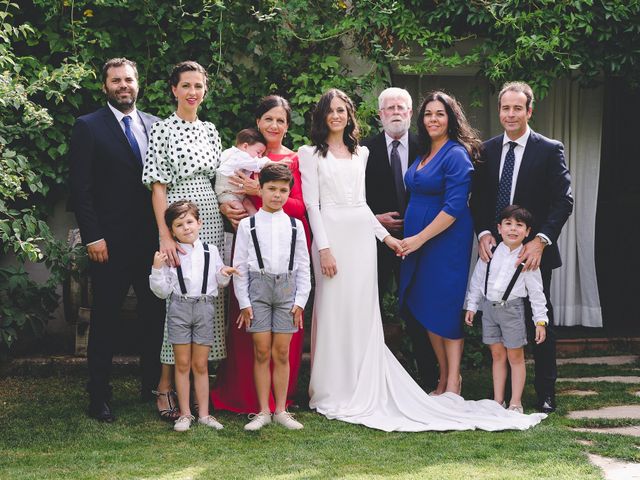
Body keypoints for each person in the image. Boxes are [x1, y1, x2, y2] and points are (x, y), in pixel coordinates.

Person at [299, 88, 545, 432]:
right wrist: (332, 246)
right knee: (361, 309)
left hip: (412, 242)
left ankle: (443, 382)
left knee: (397, 310)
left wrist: (395, 239)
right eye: (331, 110)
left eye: (343, 110)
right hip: (351, 240)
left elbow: (372, 206)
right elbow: (314, 205)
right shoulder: (314, 153)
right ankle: (337, 384)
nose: (337, 116)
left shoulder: (376, 153)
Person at [69, 57, 165, 422]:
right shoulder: (88, 127)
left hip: (151, 244)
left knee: (154, 315)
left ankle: (152, 386)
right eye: (115, 80)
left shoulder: (156, 126)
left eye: (128, 79)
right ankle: (99, 395)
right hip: (108, 245)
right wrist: (93, 237)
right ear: (105, 86)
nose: (123, 85)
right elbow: (81, 189)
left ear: (138, 83)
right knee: (106, 319)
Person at [470, 81, 573, 413]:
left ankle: (544, 393)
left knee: (540, 321)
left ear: (529, 111)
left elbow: (563, 201)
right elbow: (478, 200)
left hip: (532, 255)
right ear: (499, 111)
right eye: (505, 108)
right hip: (496, 254)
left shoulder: (548, 149)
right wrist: (485, 232)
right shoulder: (485, 150)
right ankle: (501, 394)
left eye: (517, 108)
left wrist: (541, 241)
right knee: (498, 321)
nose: (510, 114)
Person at [212, 95, 310, 413]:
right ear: (258, 123)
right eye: (268, 119)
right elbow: (225, 188)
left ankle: (280, 399)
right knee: (247, 324)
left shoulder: (294, 160)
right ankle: (245, 396)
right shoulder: (243, 156)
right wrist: (227, 207)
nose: (274, 125)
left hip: (283, 254)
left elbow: (302, 206)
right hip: (248, 252)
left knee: (283, 330)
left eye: (280, 120)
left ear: (287, 125)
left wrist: (260, 191)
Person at [142, 60, 226, 419]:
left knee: (206, 302)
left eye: (198, 86)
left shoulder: (210, 129)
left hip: (209, 218)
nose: (193, 92)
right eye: (186, 86)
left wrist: (229, 206)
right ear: (174, 90)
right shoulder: (163, 129)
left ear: (204, 90)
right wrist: (164, 234)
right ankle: (165, 388)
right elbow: (157, 187)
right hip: (178, 220)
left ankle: (200, 393)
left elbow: (221, 177)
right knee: (176, 304)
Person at [398, 91, 482, 397]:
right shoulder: (423, 154)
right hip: (418, 243)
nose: (433, 119)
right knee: (425, 305)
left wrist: (419, 238)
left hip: (446, 243)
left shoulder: (456, 154)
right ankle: (443, 377)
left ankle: (453, 381)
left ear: (451, 118)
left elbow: (454, 207)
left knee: (444, 307)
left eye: (440, 114)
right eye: (428, 114)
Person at [362, 87, 437, 391]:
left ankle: (429, 378)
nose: (395, 112)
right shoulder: (364, 151)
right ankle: (372, 380)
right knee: (372, 309)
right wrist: (374, 221)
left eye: (401, 107)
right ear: (380, 115)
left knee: (419, 310)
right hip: (376, 244)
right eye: (389, 107)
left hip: (418, 243)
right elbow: (353, 197)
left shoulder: (428, 148)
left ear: (410, 113)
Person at [233, 164, 311, 431]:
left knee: (281, 352)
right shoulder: (247, 225)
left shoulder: (295, 225)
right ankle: (263, 411)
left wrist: (300, 300)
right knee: (262, 350)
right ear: (261, 189)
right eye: (271, 189)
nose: (277, 195)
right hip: (258, 290)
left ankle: (281, 409)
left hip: (288, 291)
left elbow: (303, 264)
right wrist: (244, 302)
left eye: (283, 191)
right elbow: (240, 267)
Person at [149, 200, 237, 431]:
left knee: (200, 364)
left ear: (199, 223)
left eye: (189, 222)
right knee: (182, 363)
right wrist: (157, 269)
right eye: (179, 225)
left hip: (205, 309)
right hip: (179, 309)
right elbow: (162, 291)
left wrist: (224, 274)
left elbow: (219, 282)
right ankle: (185, 414)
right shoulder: (170, 255)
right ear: (172, 230)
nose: (186, 228)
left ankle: (205, 414)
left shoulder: (211, 251)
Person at [465, 205, 548, 413]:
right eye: (508, 224)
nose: (513, 229)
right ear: (499, 228)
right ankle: (498, 400)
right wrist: (472, 306)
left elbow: (537, 293)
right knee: (497, 356)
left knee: (515, 357)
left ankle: (515, 402)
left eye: (519, 225)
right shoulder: (491, 252)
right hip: (489, 310)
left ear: (528, 232)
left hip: (512, 311)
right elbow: (477, 281)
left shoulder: (527, 258)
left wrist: (541, 321)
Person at [214, 128, 268, 216]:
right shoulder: (239, 155)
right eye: (258, 152)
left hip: (239, 194)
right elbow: (256, 165)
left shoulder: (231, 152)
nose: (260, 156)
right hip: (227, 193)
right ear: (245, 146)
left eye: (262, 154)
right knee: (239, 212)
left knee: (250, 207)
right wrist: (272, 163)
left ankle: (254, 225)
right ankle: (244, 228)